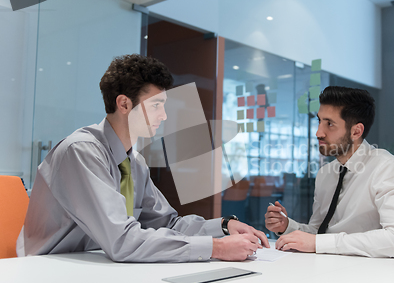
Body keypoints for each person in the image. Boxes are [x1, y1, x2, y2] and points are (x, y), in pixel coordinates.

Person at [17, 54, 269, 262]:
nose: (164, 116)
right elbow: (122, 241)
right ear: (124, 104)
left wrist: (223, 227)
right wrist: (217, 248)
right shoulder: (82, 151)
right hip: (47, 270)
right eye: (156, 105)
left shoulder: (134, 162)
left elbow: (168, 222)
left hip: (97, 265)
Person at [265, 86, 394, 258]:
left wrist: (319, 243)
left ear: (356, 131)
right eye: (319, 121)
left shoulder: (387, 168)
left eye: (329, 124)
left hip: (370, 275)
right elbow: (319, 232)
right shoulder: (325, 174)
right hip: (328, 269)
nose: (318, 133)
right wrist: (287, 226)